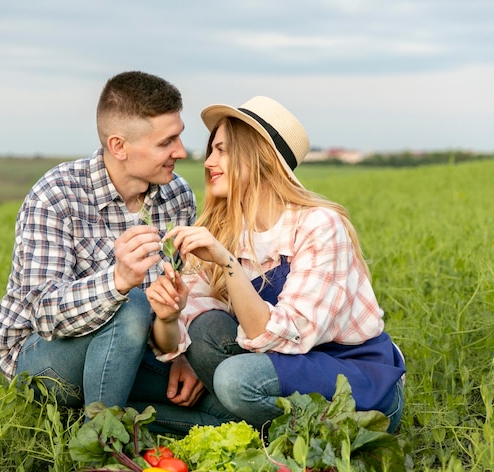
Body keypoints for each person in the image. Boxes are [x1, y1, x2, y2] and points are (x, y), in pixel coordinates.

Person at [145, 96, 406, 435]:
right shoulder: (220, 229)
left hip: (352, 379)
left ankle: (235, 425)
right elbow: (186, 329)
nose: (209, 161)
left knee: (235, 380)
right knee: (204, 329)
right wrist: (169, 318)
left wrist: (226, 262)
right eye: (212, 150)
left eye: (222, 150)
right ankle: (249, 428)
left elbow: (284, 336)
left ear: (259, 158)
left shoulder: (318, 226)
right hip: (281, 365)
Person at [0, 70, 228, 425]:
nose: (181, 151)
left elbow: (179, 293)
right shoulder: (57, 194)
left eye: (179, 137)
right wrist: (117, 281)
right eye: (166, 143)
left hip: (131, 352)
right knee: (131, 304)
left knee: (218, 411)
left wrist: (180, 353)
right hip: (40, 360)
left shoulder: (176, 195)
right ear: (119, 146)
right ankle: (100, 449)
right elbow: (43, 312)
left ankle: (120, 418)